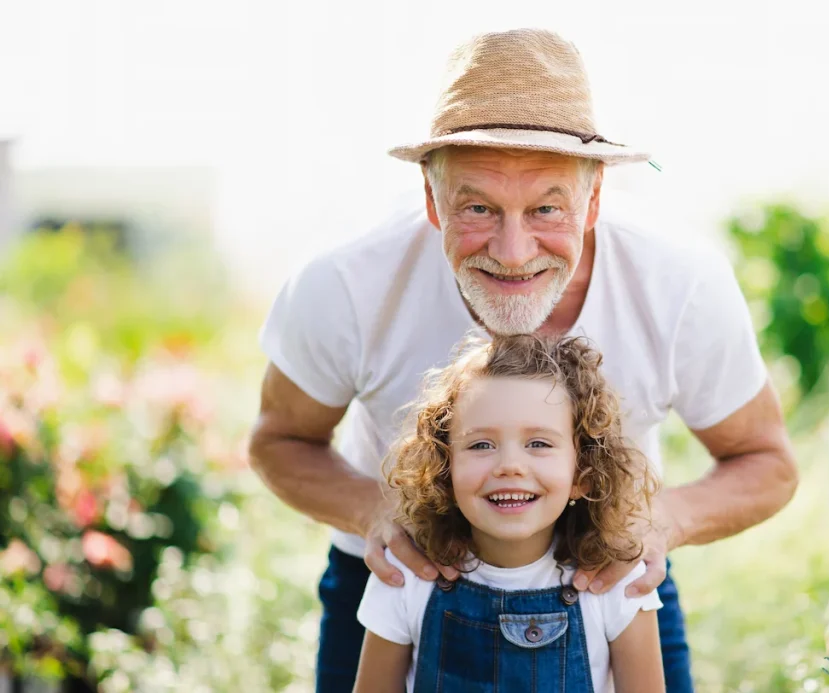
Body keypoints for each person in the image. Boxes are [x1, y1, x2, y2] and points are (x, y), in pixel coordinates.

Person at [249, 27, 798, 692]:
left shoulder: (681, 286)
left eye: (546, 208)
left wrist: (662, 521)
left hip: (607, 579)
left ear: (594, 199)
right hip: (399, 577)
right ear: (431, 199)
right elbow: (280, 440)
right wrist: (376, 509)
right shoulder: (344, 284)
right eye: (478, 206)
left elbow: (767, 461)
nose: (513, 252)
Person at [353, 334, 665, 692]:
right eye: (481, 444)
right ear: (443, 468)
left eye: (539, 444)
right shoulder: (405, 577)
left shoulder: (617, 585)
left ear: (583, 474)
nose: (510, 466)